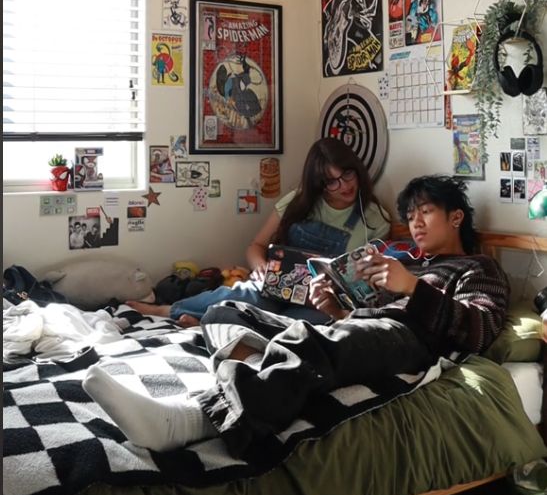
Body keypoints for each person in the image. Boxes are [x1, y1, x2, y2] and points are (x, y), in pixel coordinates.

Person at [83, 174, 510, 459]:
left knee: (310, 342)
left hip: (414, 340)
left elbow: (479, 332)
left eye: (426, 212)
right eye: (410, 215)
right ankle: (253, 360)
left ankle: (190, 419)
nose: (415, 223)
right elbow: (368, 321)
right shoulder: (408, 263)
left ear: (456, 217)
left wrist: (414, 289)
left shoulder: (478, 269)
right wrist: (338, 307)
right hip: (367, 327)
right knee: (223, 310)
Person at [127, 137, 390, 326]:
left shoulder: (374, 220)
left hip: (324, 302)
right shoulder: (298, 202)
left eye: (347, 175)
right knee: (243, 294)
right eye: (332, 181)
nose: (344, 186)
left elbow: (372, 280)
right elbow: (255, 246)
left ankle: (206, 325)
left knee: (300, 325)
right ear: (319, 184)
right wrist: (261, 267)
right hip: (280, 287)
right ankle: (168, 309)